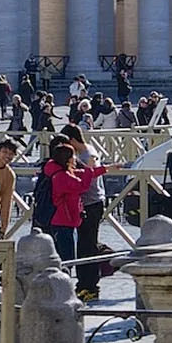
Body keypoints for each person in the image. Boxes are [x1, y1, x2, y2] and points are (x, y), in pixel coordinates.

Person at [65, 126, 108, 299]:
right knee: (85, 244)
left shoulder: (85, 156)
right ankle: (84, 283)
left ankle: (90, 286)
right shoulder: (89, 150)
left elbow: (87, 179)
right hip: (93, 201)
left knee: (87, 245)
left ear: (72, 140)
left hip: (91, 202)